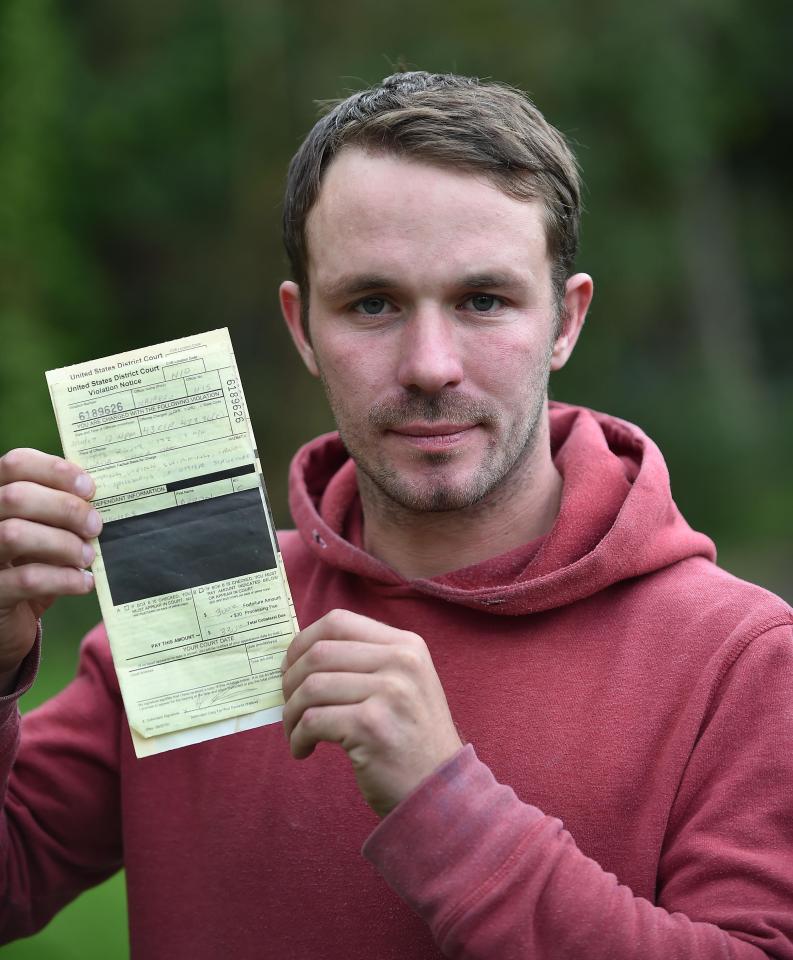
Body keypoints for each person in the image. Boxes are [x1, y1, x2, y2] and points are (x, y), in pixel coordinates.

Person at [1, 70, 792, 959]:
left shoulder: (744, 659)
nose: (429, 365)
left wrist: (446, 806)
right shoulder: (198, 606)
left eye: (482, 300)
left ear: (565, 322)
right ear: (302, 330)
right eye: (371, 304)